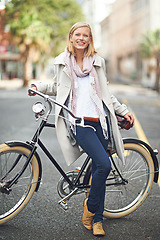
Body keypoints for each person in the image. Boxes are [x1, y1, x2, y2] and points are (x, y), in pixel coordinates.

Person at [29, 22, 134, 237]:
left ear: (89, 39)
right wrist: (38, 86)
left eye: (85, 35)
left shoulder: (98, 62)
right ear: (71, 36)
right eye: (78, 34)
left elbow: (106, 93)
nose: (81, 38)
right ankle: (92, 210)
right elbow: (57, 87)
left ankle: (95, 218)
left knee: (100, 169)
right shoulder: (62, 62)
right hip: (79, 122)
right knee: (104, 164)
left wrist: (123, 110)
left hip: (100, 122)